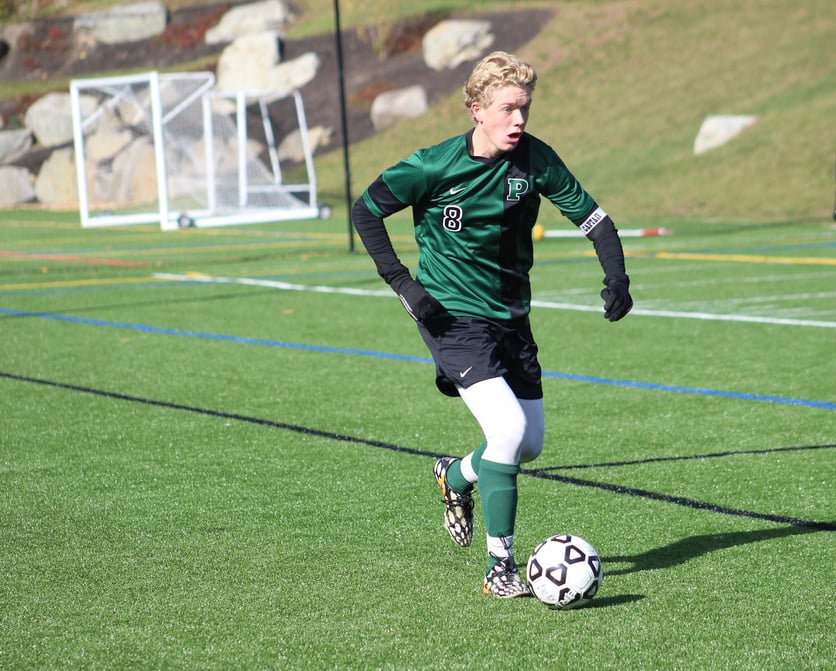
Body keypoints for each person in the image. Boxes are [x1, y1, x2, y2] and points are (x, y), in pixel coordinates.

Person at [351, 51, 632, 598]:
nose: (520, 121)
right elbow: (365, 211)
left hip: (513, 319)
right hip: (451, 317)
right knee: (505, 433)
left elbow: (595, 220)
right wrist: (405, 286)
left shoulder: (536, 159)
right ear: (477, 110)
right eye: (508, 110)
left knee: (528, 445)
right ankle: (498, 568)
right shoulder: (432, 165)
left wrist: (617, 278)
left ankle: (454, 476)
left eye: (525, 109)